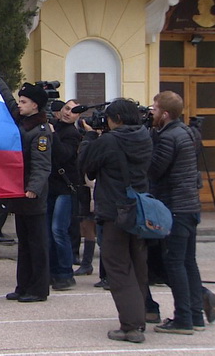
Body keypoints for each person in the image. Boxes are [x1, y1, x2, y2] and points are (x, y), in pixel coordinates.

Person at [79, 98, 152, 343]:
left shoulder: (109, 140)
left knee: (118, 268)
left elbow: (86, 167)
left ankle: (131, 326)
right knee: (138, 265)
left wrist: (90, 138)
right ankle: (140, 318)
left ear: (117, 119)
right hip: (139, 210)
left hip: (114, 211)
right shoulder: (144, 137)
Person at [0, 62, 52, 303]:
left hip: (32, 195)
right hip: (18, 192)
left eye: (24, 102)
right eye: (20, 101)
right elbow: (8, 101)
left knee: (37, 244)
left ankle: (38, 289)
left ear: (35, 105)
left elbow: (42, 164)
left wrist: (34, 188)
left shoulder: (41, 131)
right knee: (25, 244)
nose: (19, 104)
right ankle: (23, 286)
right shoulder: (22, 120)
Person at [148, 91, 205, 334]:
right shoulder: (186, 132)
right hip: (190, 206)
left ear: (166, 113)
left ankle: (183, 318)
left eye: (155, 108)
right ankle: (195, 315)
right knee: (188, 262)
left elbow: (155, 169)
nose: (152, 111)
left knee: (175, 263)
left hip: (176, 207)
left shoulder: (169, 136)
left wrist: (149, 141)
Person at [47, 99, 82, 291]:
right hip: (50, 187)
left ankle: (65, 272)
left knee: (58, 230)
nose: (68, 113)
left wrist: (53, 135)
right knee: (49, 232)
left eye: (74, 111)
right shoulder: (53, 127)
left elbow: (62, 154)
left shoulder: (72, 134)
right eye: (67, 108)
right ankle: (53, 271)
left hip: (65, 189)